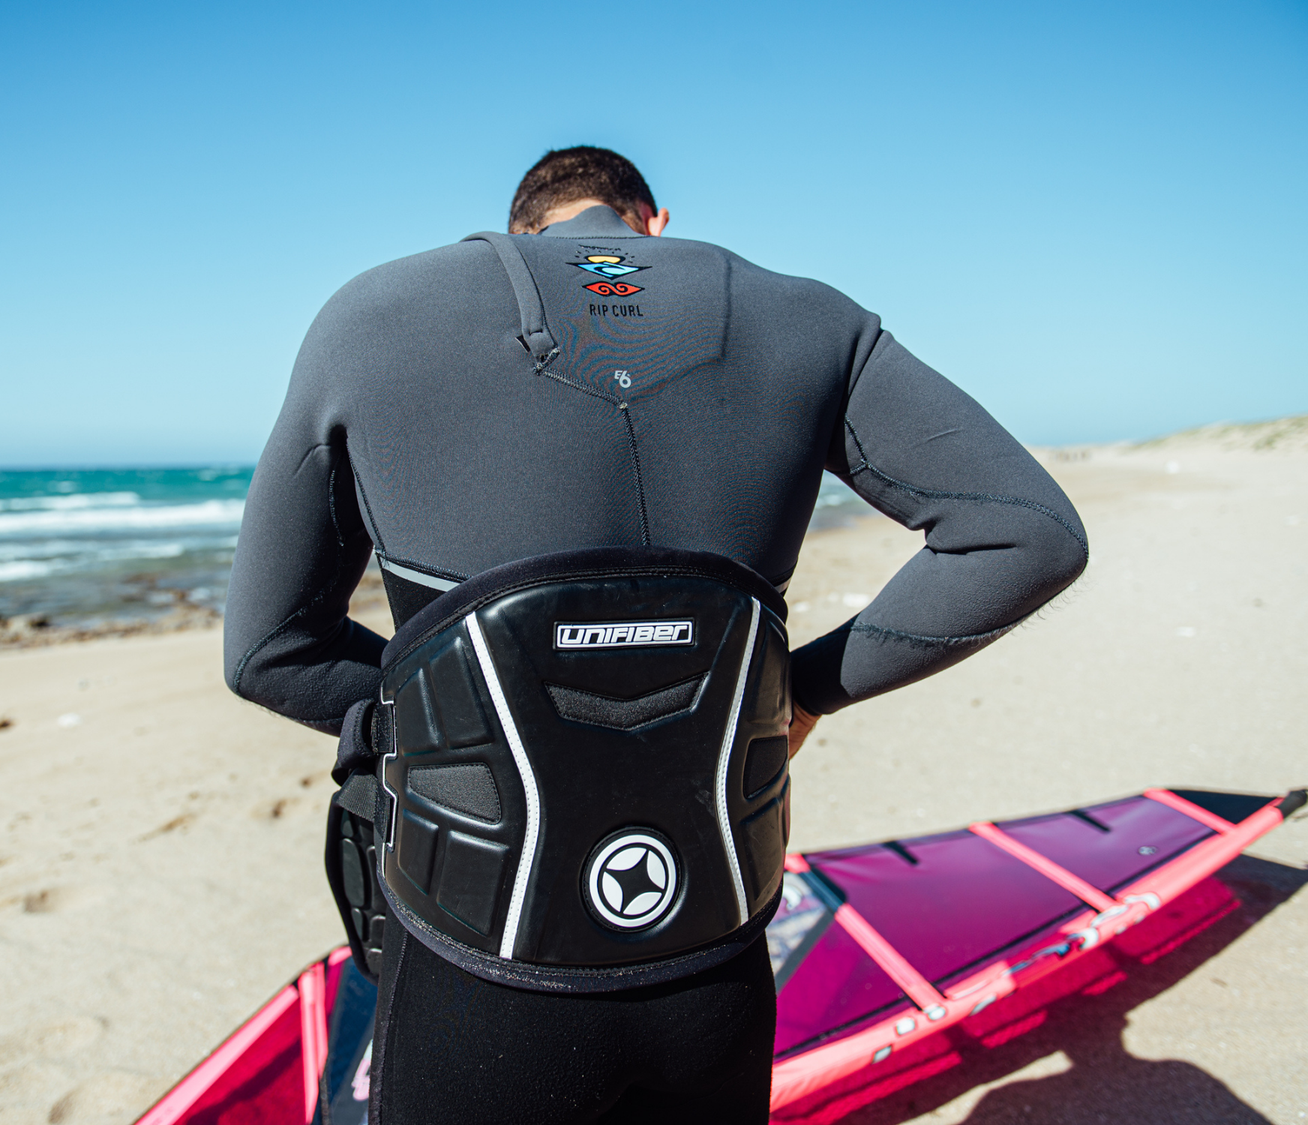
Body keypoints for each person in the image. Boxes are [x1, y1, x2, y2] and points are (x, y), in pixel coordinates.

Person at [223, 146, 1087, 1124]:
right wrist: (796, 693)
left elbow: (268, 651)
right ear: (654, 221)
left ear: (519, 230)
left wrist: (446, 723)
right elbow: (1028, 534)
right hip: (712, 954)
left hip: (484, 958)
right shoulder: (811, 317)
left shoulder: (375, 314)